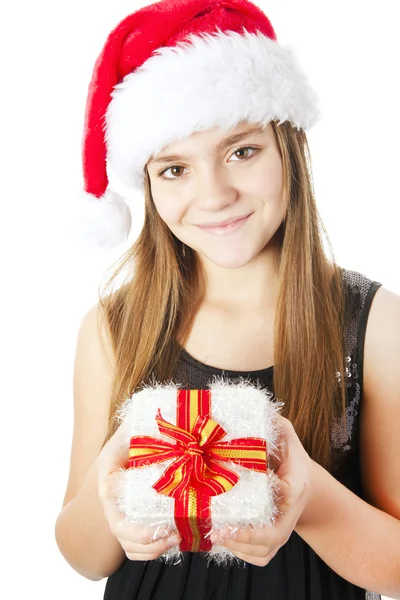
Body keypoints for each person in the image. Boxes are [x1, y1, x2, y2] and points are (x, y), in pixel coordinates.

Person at [54, 0, 400, 599]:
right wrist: (104, 499)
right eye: (174, 169)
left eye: (242, 152)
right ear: (148, 182)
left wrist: (308, 498)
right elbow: (82, 555)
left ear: (288, 147)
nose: (214, 196)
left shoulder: (373, 325)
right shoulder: (114, 329)